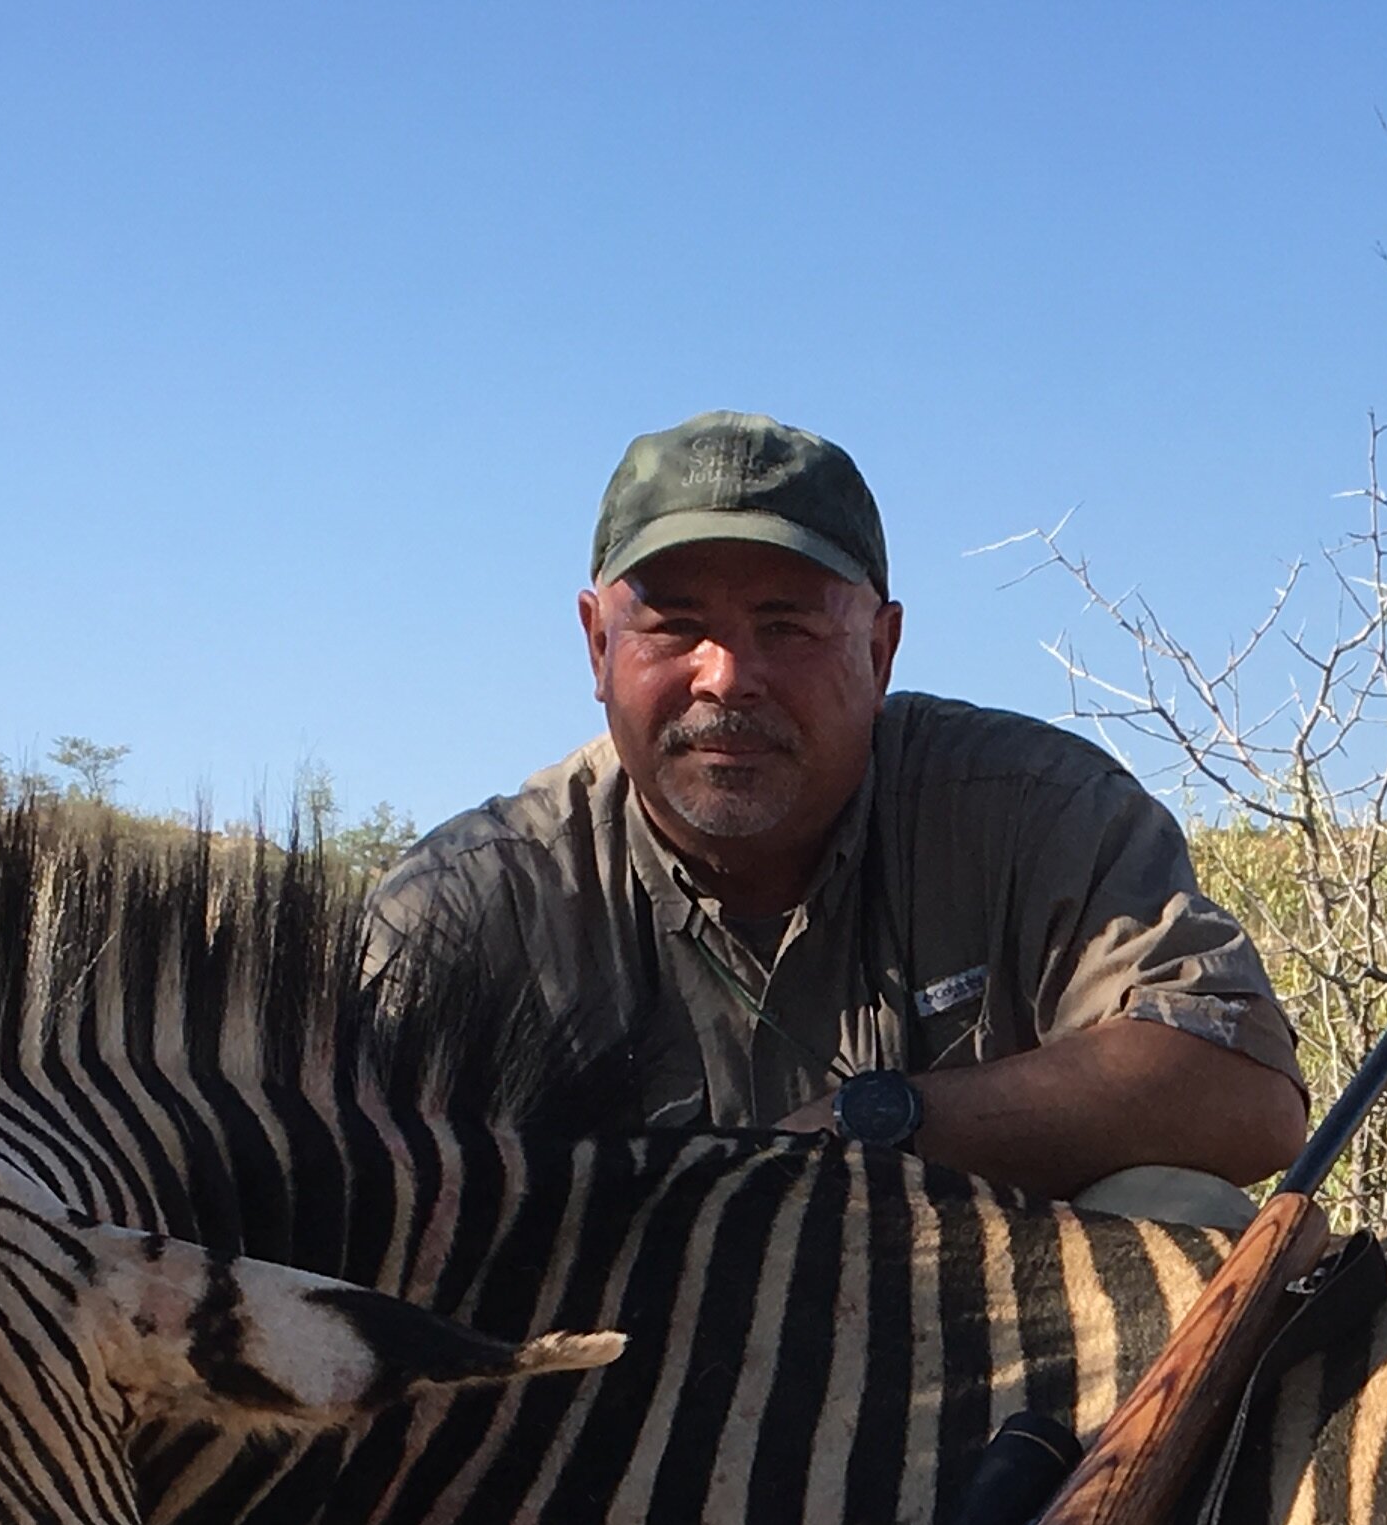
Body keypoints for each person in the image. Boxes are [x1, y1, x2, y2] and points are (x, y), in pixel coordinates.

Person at [363, 412, 1307, 1226]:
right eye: (676, 627)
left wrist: (873, 1127)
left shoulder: (1037, 813)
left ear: (881, 648)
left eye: (788, 627)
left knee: (1183, 1212)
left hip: (992, 1380)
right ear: (597, 644)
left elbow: (1241, 1089)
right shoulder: (467, 906)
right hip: (611, 1398)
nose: (727, 676)